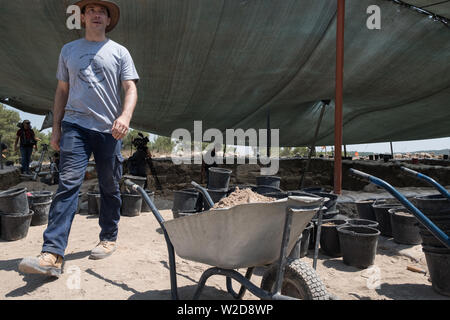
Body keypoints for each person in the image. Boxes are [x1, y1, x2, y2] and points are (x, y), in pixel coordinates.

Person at [19, 0, 139, 278]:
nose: (97, 15)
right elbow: (62, 91)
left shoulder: (120, 52)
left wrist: (125, 117)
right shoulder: (68, 51)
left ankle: (108, 237)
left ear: (108, 20)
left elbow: (130, 88)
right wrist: (57, 129)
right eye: (91, 11)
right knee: (68, 184)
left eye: (102, 12)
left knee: (109, 184)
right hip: (75, 125)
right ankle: (52, 253)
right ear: (83, 18)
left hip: (110, 129)